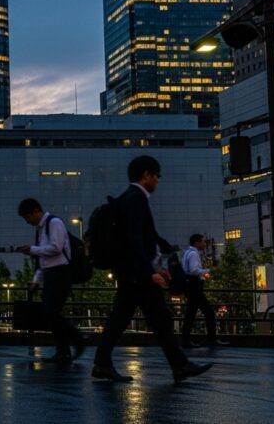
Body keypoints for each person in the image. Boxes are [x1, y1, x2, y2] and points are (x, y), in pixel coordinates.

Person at [91, 156, 212, 383]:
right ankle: (179, 365)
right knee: (155, 319)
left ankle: (104, 363)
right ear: (147, 175)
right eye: (157, 176)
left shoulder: (127, 198)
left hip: (130, 272)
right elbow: (135, 239)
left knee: (137, 318)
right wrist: (150, 271)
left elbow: (140, 239)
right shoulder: (137, 199)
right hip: (138, 274)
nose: (158, 181)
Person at [17, 199, 85, 364]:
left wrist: (32, 249)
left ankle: (77, 339)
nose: (28, 222)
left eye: (27, 218)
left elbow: (56, 247)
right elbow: (44, 259)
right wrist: (36, 280)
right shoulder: (41, 229)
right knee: (50, 313)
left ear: (36, 212)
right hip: (51, 274)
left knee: (51, 312)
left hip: (61, 273)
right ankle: (63, 351)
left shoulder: (54, 223)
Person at [181, 234, 228, 348]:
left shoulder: (187, 252)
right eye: (202, 242)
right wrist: (208, 271)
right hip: (194, 286)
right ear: (196, 243)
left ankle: (186, 340)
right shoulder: (193, 254)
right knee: (208, 312)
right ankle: (211, 339)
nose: (204, 244)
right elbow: (194, 270)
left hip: (190, 285)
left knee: (191, 314)